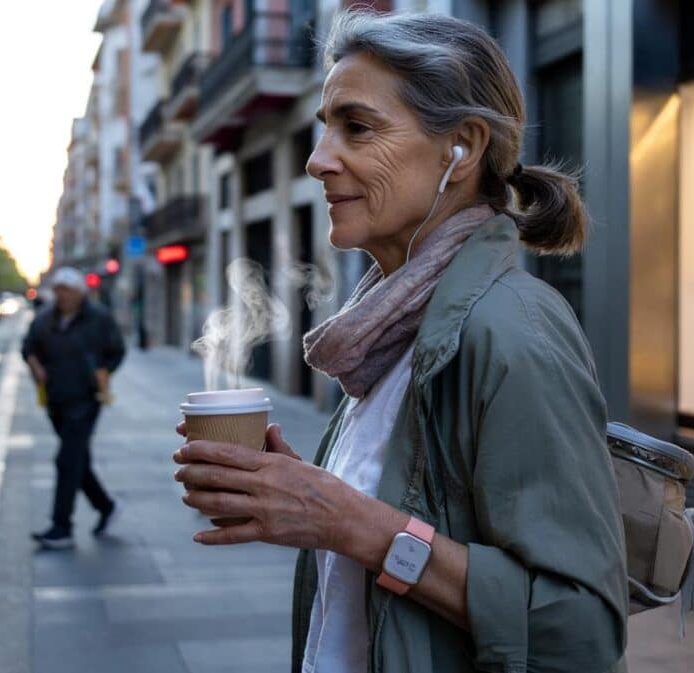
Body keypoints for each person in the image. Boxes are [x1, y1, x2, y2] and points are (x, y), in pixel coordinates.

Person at [174, 10, 628, 673]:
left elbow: (581, 630)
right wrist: (294, 498)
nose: (318, 158)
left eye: (357, 127)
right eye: (324, 128)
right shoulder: (390, 331)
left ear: (463, 148)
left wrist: (349, 520)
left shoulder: (515, 330)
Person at [23, 267, 126, 550]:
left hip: (86, 400)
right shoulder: (44, 319)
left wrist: (104, 371)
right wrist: (35, 366)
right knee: (78, 461)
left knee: (66, 460)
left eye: (67, 290)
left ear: (80, 292)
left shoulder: (99, 319)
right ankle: (106, 507)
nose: (62, 296)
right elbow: (28, 347)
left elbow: (117, 350)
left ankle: (61, 526)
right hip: (55, 400)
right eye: (58, 291)